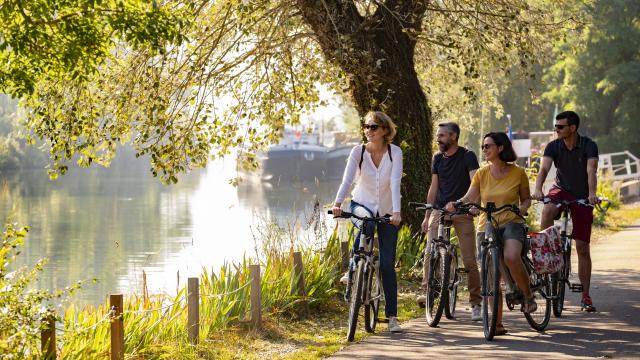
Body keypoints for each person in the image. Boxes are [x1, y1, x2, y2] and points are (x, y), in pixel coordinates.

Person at [447, 132, 534, 336]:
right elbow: (471, 196)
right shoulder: (481, 174)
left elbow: (527, 199)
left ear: (501, 148)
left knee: (511, 257)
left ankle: (527, 295)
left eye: (488, 146)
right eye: (483, 146)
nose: (484, 150)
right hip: (487, 225)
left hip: (512, 222)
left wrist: (522, 209)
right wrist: (459, 204)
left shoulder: (518, 172)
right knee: (491, 276)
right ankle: (497, 323)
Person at [332, 111, 403, 333]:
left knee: (387, 265)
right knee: (365, 222)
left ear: (384, 130)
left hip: (388, 211)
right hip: (361, 204)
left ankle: (392, 317)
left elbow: (394, 183)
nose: (368, 131)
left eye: (373, 127)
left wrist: (397, 213)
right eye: (366, 127)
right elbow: (347, 180)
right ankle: (354, 267)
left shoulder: (395, 153)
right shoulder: (358, 151)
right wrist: (337, 203)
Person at [532, 110, 599, 312]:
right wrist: (537, 188)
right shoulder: (553, 145)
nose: (556, 129)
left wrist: (592, 194)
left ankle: (586, 296)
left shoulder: (589, 145)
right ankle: (548, 252)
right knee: (547, 211)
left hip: (583, 195)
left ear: (572, 128)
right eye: (556, 126)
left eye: (560, 127)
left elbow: (591, 171)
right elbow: (544, 169)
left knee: (582, 248)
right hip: (561, 190)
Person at [418, 122, 482, 321]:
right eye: (438, 136)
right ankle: (428, 290)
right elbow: (433, 187)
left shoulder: (468, 156)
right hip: (440, 210)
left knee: (470, 258)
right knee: (430, 249)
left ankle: (475, 303)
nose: (438, 139)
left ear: (454, 137)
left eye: (442, 136)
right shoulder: (437, 158)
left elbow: (475, 183)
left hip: (462, 210)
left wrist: (474, 204)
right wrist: (428, 215)